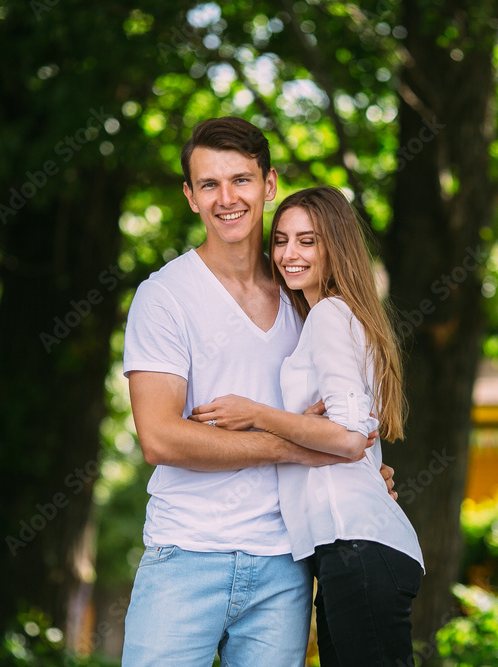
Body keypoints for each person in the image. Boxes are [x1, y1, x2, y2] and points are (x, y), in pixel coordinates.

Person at [120, 117, 394, 667]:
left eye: (241, 180)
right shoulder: (164, 297)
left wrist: (356, 468)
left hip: (285, 562)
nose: (227, 199)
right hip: (187, 554)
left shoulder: (304, 295)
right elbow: (160, 439)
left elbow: (344, 419)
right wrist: (302, 449)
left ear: (268, 185)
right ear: (190, 197)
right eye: (209, 184)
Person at [189, 185, 424, 666]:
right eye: (280, 240)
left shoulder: (331, 316)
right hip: (347, 552)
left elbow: (349, 439)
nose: (288, 254)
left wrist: (255, 414)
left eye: (307, 241)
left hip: (357, 547)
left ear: (335, 246)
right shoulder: (332, 317)